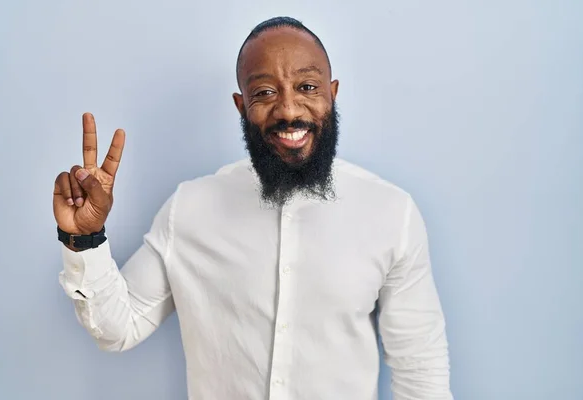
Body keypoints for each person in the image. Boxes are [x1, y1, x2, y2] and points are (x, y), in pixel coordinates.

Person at [53, 16, 453, 400]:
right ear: (240, 105)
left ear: (332, 93)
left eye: (307, 87)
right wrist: (83, 238)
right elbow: (117, 328)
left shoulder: (390, 213)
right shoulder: (190, 208)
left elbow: (420, 371)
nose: (289, 110)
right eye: (264, 92)